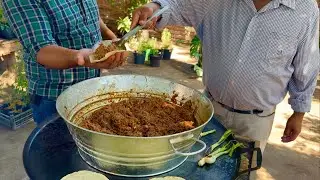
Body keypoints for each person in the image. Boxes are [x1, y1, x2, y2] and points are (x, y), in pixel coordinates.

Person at [131, 0, 319, 178]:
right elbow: (179, 6)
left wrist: (299, 112)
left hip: (255, 122)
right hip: (209, 111)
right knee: (202, 170)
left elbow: (306, 65)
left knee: (241, 173)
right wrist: (154, 7)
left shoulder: (305, 9)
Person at [3, 0, 128, 125]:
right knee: (59, 143)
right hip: (54, 96)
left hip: (91, 85)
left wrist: (109, 35)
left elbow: (89, 14)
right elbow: (42, 50)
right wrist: (80, 57)